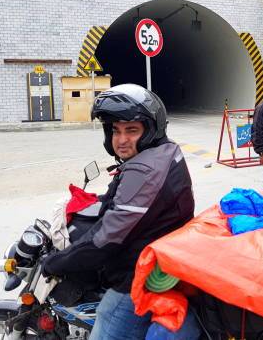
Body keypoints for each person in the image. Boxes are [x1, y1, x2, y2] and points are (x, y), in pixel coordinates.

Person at [43, 84, 200, 340]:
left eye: (132, 130)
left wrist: (55, 263)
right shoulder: (163, 152)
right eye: (115, 130)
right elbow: (125, 206)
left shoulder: (144, 171)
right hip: (160, 258)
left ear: (150, 131)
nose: (121, 140)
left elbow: (105, 240)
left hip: (136, 280)